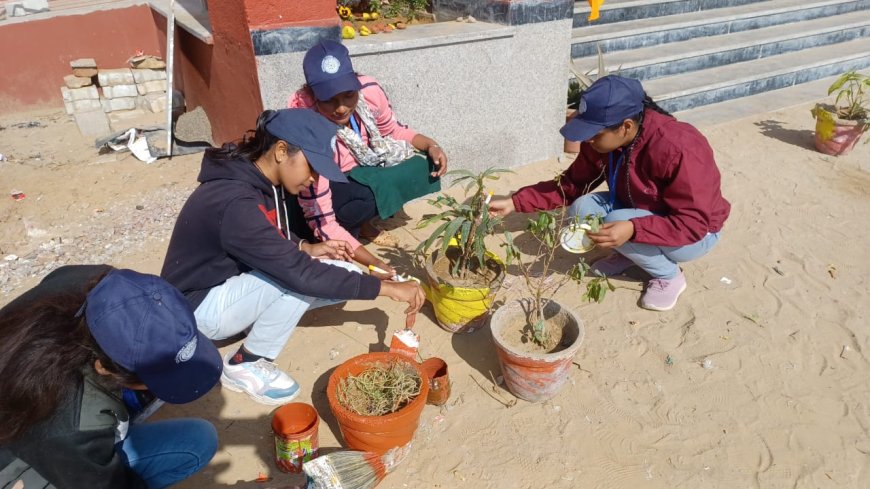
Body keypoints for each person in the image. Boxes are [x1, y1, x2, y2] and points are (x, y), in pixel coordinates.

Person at [161, 108, 425, 406]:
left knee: (330, 267)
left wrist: (304, 247)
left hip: (227, 287)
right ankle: (246, 362)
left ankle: (255, 320)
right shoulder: (235, 201)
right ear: (281, 150)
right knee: (301, 280)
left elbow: (268, 237)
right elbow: (298, 273)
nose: (314, 179)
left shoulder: (258, 178)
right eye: (311, 167)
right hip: (196, 308)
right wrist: (387, 289)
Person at [489, 75, 730, 311]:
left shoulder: (679, 146)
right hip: (642, 209)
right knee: (582, 209)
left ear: (626, 126)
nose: (588, 140)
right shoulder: (604, 143)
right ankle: (631, 253)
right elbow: (572, 184)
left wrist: (634, 228)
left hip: (697, 234)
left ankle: (669, 275)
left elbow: (693, 223)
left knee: (617, 221)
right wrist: (514, 201)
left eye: (594, 133)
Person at [0, 265, 222, 489]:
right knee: (196, 442)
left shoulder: (106, 287)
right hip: (15, 459)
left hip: (37, 428)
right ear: (104, 368)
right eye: (151, 380)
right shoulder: (70, 423)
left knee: (194, 437)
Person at [288, 40, 448, 278]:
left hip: (363, 165)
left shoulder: (370, 92)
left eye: (348, 95)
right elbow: (317, 210)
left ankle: (362, 224)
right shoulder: (306, 121)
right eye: (329, 100)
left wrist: (431, 145)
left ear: (356, 83)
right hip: (328, 182)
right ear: (313, 96)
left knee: (421, 164)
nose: (341, 108)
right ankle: (349, 234)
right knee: (362, 199)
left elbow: (392, 129)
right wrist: (374, 263)